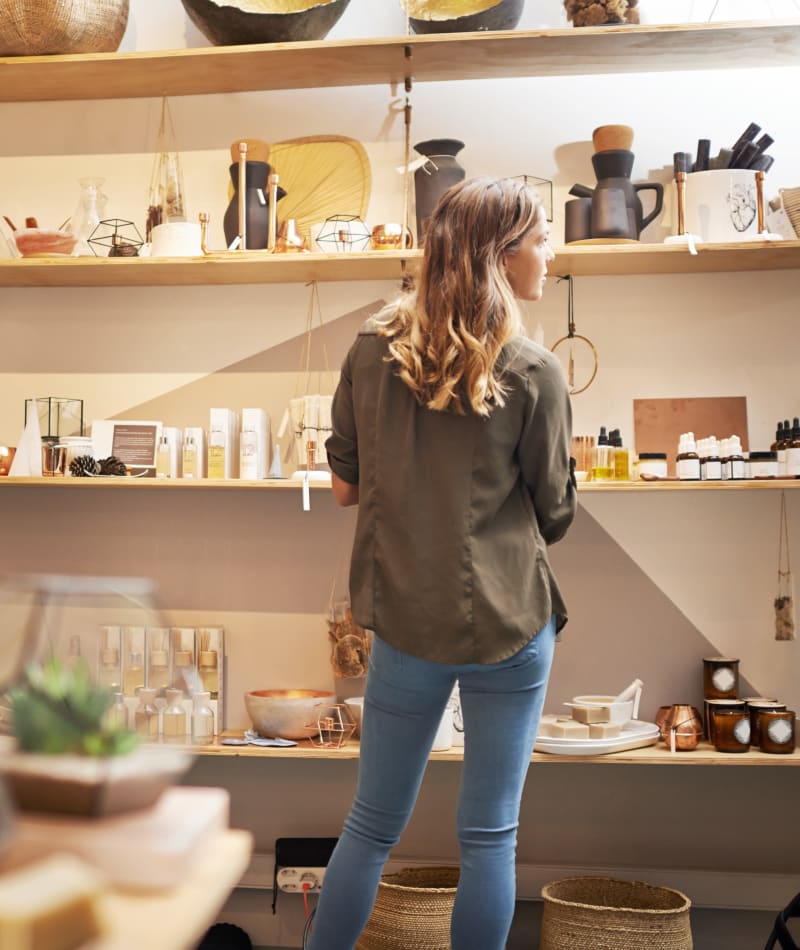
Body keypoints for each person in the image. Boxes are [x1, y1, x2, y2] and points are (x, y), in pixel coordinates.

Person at [309, 176, 577, 950]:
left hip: (402, 621)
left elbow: (344, 489)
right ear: (500, 257)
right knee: (489, 837)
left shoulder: (369, 350)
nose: (549, 256)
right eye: (539, 239)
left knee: (369, 827)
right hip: (510, 624)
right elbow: (554, 516)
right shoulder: (534, 371)